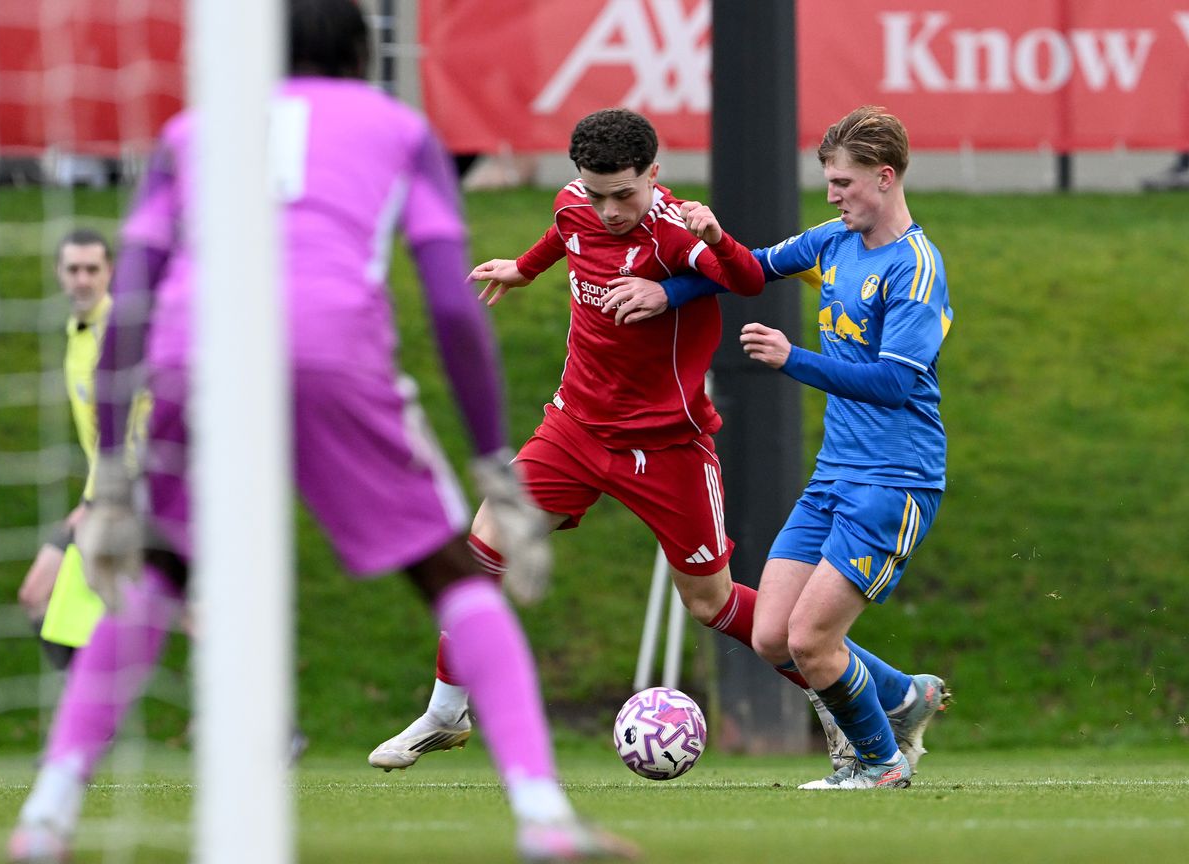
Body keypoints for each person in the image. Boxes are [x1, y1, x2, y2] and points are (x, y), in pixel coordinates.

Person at [8, 2, 636, 862]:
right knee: (453, 575)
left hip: (197, 350)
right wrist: (492, 453)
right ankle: (542, 816)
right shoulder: (397, 128)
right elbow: (453, 304)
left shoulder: (194, 132)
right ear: (362, 53)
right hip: (331, 347)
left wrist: (115, 468)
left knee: (154, 572)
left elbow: (137, 296)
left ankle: (47, 815)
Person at [368, 107, 930, 780]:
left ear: (654, 175)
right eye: (596, 193)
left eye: (623, 194)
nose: (608, 210)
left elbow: (747, 277)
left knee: (713, 603)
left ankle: (875, 691)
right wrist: (524, 268)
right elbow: (564, 232)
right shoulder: (576, 204)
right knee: (483, 545)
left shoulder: (675, 231)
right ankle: (446, 712)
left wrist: (690, 271)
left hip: (668, 447)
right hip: (574, 427)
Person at [624, 105, 953, 789]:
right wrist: (668, 292)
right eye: (829, 182)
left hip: (895, 479)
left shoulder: (915, 269)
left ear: (885, 177)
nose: (832, 196)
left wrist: (791, 358)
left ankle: (882, 765)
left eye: (843, 183)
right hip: (834, 476)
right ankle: (901, 697)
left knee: (811, 640)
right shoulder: (834, 240)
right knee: (772, 635)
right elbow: (750, 268)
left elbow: (895, 383)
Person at [17, 230, 115, 670]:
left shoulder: (119, 337)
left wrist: (99, 502)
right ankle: (87, 711)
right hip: (99, 495)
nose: (83, 279)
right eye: (73, 269)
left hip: (126, 499)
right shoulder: (79, 332)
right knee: (37, 596)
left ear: (109, 272)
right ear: (59, 273)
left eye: (92, 269)